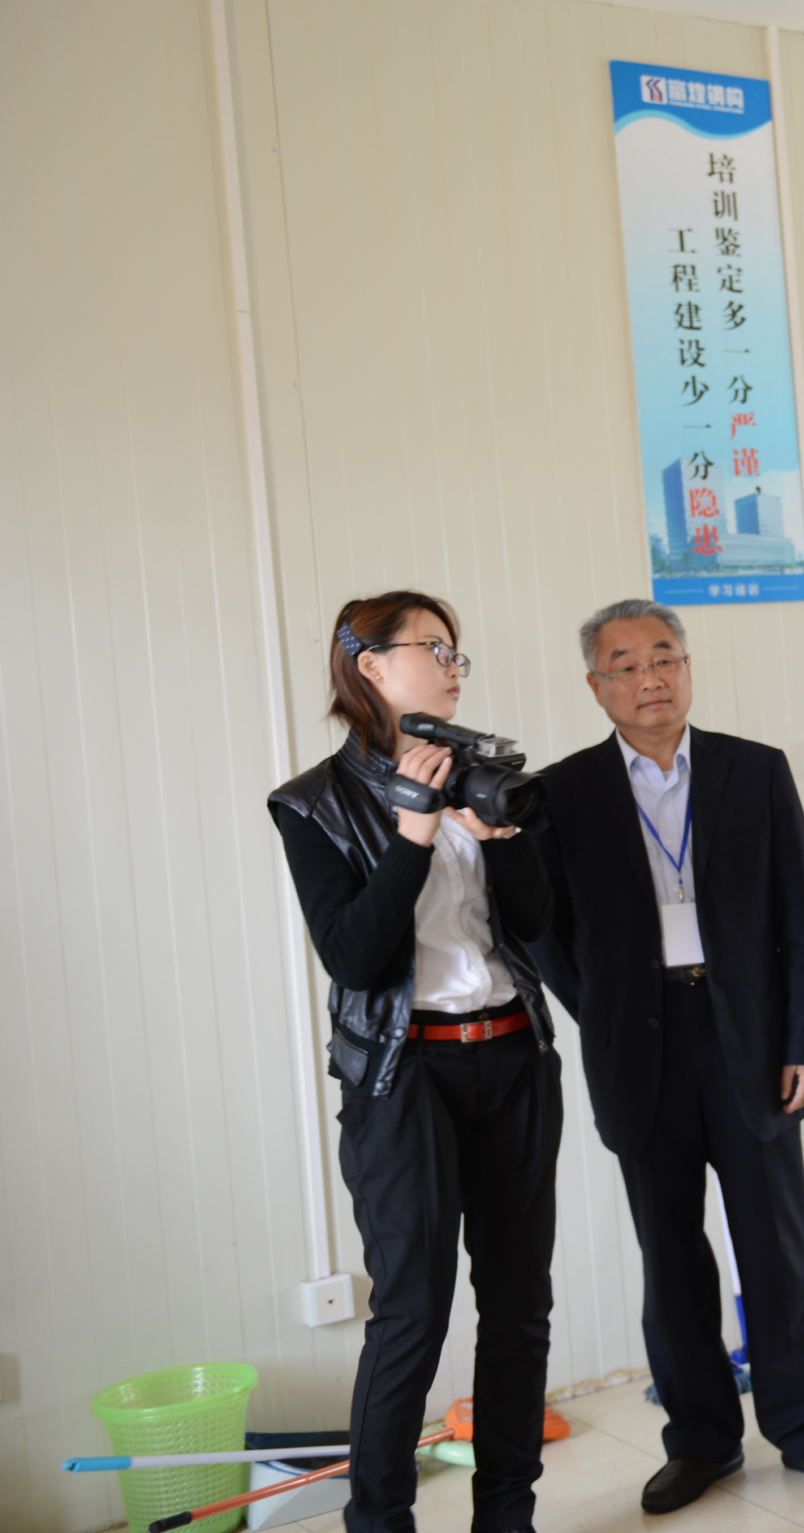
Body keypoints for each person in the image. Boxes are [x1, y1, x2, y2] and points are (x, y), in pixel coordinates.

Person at [531, 599, 804, 1511]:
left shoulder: (752, 770)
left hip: (749, 1038)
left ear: (686, 667)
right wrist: (604, 1011)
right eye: (627, 665)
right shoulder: (561, 793)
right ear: (597, 686)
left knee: (776, 1245)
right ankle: (702, 1440)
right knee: (670, 1253)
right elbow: (543, 931)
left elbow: (801, 910)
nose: (651, 678)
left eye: (665, 658)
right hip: (639, 1048)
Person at [266, 591, 559, 1533]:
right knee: (412, 1313)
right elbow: (354, 957)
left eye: (456, 650)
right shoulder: (311, 802)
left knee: (518, 1306)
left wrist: (496, 837)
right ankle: (380, 1521)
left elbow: (537, 922)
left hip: (512, 1056)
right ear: (370, 664)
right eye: (433, 647)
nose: (452, 666)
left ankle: (506, 1516)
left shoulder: (483, 776)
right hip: (403, 1077)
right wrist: (413, 833)